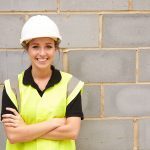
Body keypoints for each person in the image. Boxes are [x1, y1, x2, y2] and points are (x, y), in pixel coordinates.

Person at [1, 15, 84, 150]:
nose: (42, 53)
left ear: (55, 49)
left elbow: (72, 132)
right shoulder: (12, 87)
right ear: (26, 49)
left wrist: (26, 129)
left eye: (48, 46)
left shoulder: (71, 85)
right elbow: (13, 136)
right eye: (35, 47)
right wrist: (54, 122)